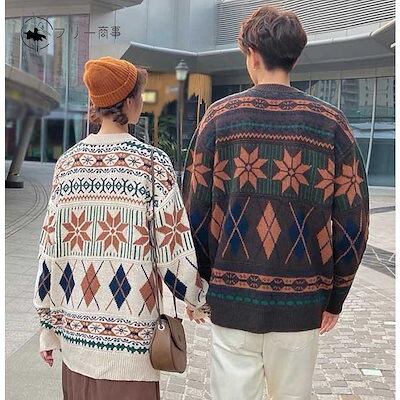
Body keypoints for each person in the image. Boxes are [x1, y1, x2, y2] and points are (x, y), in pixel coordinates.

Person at [183, 6, 369, 400]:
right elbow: (353, 223)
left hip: (231, 300)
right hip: (301, 306)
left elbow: (195, 213)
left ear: (251, 54)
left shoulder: (218, 119)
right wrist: (335, 297)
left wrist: (200, 283)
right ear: (294, 58)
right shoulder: (331, 123)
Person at [33, 56, 208, 400]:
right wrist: (197, 299)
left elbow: (49, 250)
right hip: (132, 349)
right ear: (128, 102)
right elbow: (174, 248)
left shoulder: (67, 165)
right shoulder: (152, 164)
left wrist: (47, 329)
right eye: (140, 95)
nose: (141, 101)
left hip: (76, 344)